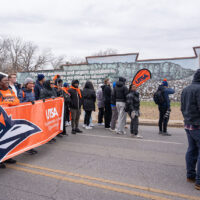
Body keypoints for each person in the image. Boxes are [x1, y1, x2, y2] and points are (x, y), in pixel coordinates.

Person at [181, 69, 200, 190]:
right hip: (198, 125)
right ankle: (198, 181)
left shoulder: (186, 89)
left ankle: (190, 175)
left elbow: (182, 107)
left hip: (188, 124)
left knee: (192, 149)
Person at [0, 74, 20, 168]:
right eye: (5, 81)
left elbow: (17, 101)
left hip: (9, 120)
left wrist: (7, 103)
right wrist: (9, 103)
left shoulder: (10, 90)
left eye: (7, 80)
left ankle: (7, 157)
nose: (7, 82)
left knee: (8, 139)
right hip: (1, 120)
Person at [18, 77, 38, 154]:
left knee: (31, 131)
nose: (32, 84)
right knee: (26, 132)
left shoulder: (32, 91)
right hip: (24, 114)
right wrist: (28, 102)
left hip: (32, 114)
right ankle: (26, 147)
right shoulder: (22, 92)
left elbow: (35, 101)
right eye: (30, 83)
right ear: (26, 84)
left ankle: (31, 146)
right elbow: (20, 102)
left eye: (32, 83)